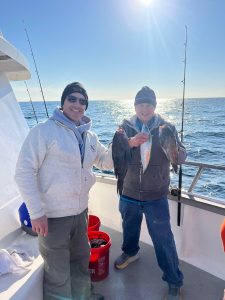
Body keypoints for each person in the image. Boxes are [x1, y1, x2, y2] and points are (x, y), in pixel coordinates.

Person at [15, 82, 113, 300]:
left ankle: (83, 296)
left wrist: (125, 142)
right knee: (57, 272)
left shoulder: (91, 137)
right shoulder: (43, 131)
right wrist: (36, 213)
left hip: (80, 213)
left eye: (82, 101)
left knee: (80, 262)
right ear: (62, 102)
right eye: (72, 99)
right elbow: (23, 172)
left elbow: (106, 161)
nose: (77, 105)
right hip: (52, 218)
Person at [112, 86, 187, 300]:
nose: (144, 109)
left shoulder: (167, 127)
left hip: (156, 195)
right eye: (140, 104)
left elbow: (182, 156)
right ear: (134, 106)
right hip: (128, 191)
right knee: (129, 228)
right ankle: (131, 252)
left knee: (163, 240)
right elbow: (115, 151)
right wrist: (129, 143)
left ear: (154, 107)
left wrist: (178, 152)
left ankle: (174, 280)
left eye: (149, 104)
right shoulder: (124, 127)